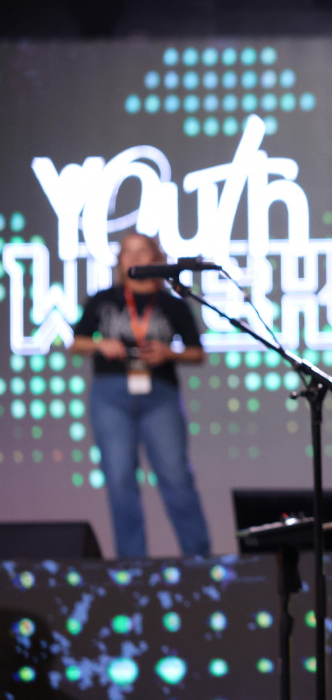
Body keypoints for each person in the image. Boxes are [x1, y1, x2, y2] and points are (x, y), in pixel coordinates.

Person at [70, 232, 212, 558]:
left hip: (159, 395)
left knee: (176, 477)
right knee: (119, 479)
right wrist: (100, 344)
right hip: (111, 395)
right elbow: (76, 343)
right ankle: (131, 564)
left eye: (142, 251)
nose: (134, 257)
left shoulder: (173, 304)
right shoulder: (103, 299)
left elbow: (197, 352)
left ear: (156, 258)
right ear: (119, 260)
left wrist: (168, 352)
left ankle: (200, 560)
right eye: (127, 252)